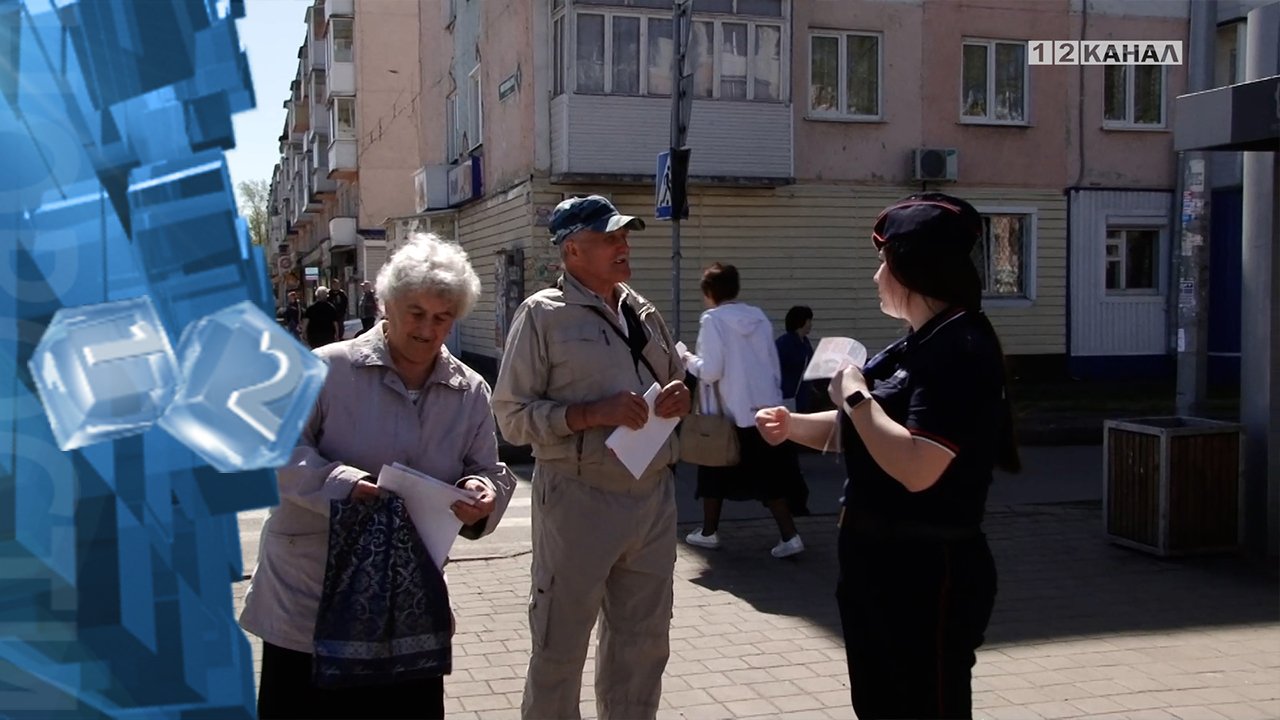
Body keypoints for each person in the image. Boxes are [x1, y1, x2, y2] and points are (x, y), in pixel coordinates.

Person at [756, 193, 1020, 719]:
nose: (877, 275)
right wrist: (791, 428)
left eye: (883, 261)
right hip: (879, 563)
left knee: (925, 705)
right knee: (880, 704)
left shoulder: (960, 349)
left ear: (910, 266)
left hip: (925, 570)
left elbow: (918, 465)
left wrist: (855, 393)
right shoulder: (917, 343)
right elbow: (866, 433)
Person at [240, 234, 517, 719]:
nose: (428, 330)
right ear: (386, 304)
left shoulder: (469, 389)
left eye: (442, 317)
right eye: (415, 312)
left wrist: (484, 494)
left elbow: (487, 469)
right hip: (310, 605)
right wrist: (343, 485)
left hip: (407, 613)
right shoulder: (326, 368)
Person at [492, 195, 691, 720]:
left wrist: (679, 398)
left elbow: (671, 381)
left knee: (642, 648)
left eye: (624, 236)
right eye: (609, 238)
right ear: (572, 249)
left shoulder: (641, 311)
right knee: (560, 646)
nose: (623, 246)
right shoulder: (541, 316)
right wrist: (586, 414)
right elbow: (510, 416)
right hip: (579, 501)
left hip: (652, 500)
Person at [681, 263, 804, 558]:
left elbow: (710, 371)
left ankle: (709, 532)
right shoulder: (758, 317)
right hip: (764, 411)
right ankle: (790, 535)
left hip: (727, 415)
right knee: (769, 478)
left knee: (713, 473)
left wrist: (686, 358)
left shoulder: (712, 320)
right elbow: (772, 365)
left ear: (709, 292)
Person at [776, 305, 815, 413]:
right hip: (787, 396)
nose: (811, 325)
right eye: (809, 321)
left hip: (802, 396)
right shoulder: (784, 343)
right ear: (801, 322)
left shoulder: (805, 342)